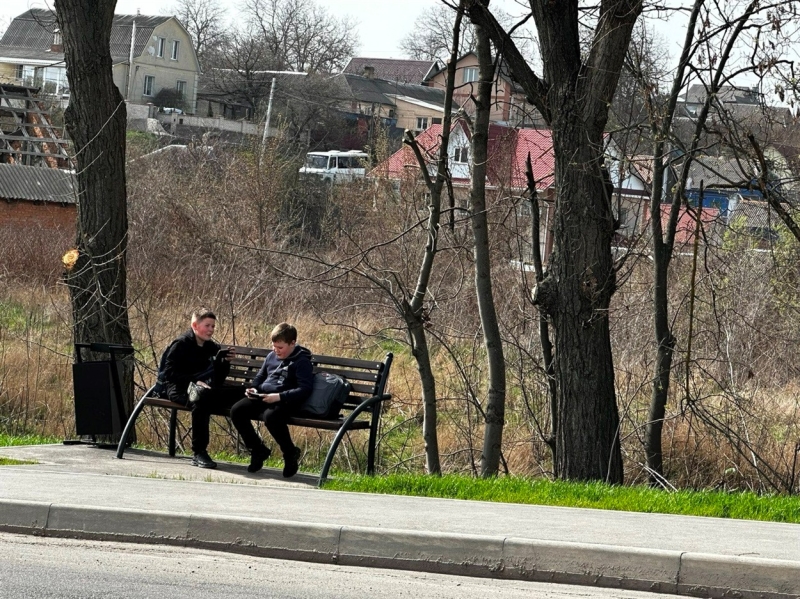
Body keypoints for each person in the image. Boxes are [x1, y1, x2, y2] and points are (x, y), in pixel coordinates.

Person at [156, 308, 240, 469]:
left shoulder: (211, 347)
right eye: (207, 326)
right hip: (178, 389)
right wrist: (194, 381)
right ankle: (199, 452)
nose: (211, 330)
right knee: (201, 401)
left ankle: (257, 449)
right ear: (195, 325)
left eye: (213, 326)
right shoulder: (181, 344)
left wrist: (225, 362)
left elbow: (219, 379)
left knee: (240, 393)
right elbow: (169, 374)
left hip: (205, 389)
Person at [230, 322, 313, 478]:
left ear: (292, 343)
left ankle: (289, 453)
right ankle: (258, 449)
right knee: (237, 410)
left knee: (271, 417)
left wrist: (279, 397)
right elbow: (261, 377)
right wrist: (254, 389)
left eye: (280, 348)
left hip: (286, 400)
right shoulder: (271, 355)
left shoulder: (302, 362)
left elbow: (305, 389)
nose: (276, 351)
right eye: (274, 346)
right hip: (263, 396)